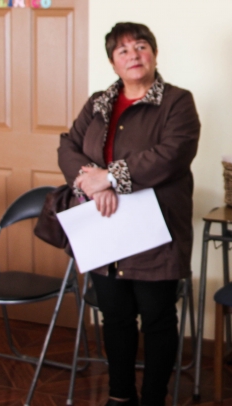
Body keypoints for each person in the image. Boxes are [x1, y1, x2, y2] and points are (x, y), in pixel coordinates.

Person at [58, 22, 200, 406]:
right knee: (115, 316)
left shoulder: (177, 102)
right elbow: (69, 147)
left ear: (154, 53)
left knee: (156, 317)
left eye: (141, 46)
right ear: (112, 62)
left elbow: (171, 155)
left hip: (155, 231)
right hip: (104, 228)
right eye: (123, 50)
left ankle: (153, 399)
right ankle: (120, 395)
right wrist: (92, 183)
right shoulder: (98, 102)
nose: (133, 55)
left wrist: (110, 177)